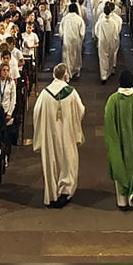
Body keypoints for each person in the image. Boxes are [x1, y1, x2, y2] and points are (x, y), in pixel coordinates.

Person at [32, 63, 85, 208]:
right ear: (65, 75)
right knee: (68, 161)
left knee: (52, 162)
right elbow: (81, 110)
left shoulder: (45, 93)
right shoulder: (71, 92)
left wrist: (41, 131)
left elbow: (36, 113)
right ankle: (65, 191)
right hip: (66, 133)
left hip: (50, 135)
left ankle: (52, 195)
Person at [103, 69, 133, 210]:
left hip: (119, 141)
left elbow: (108, 120)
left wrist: (111, 140)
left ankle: (122, 201)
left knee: (120, 165)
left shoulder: (113, 100)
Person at [94, 0, 122, 84]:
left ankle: (103, 76)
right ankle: (109, 72)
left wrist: (100, 37)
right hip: (112, 41)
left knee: (103, 58)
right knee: (110, 56)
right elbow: (117, 31)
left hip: (102, 41)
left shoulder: (100, 22)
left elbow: (96, 31)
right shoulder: (113, 22)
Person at [59, 2, 86, 79]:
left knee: (67, 56)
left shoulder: (64, 19)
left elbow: (61, 31)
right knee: (76, 55)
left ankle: (68, 73)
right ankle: (76, 70)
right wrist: (81, 40)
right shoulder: (79, 19)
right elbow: (82, 32)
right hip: (76, 41)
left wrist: (62, 38)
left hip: (67, 40)